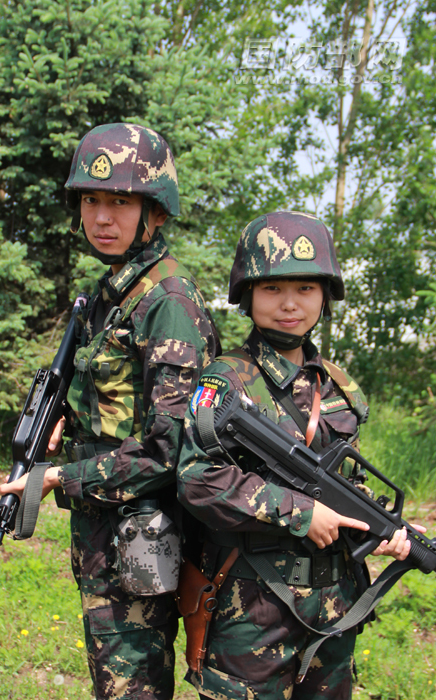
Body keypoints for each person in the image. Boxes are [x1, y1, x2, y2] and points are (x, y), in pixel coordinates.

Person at [0, 123, 220, 700]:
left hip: (143, 541)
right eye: (92, 200)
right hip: (108, 537)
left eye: (120, 201)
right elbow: (116, 407)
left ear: (156, 212)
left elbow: (170, 454)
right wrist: (63, 425)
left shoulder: (166, 304)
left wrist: (56, 480)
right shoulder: (113, 294)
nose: (101, 216)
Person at [176, 210, 423, 700]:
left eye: (306, 289)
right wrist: (299, 512)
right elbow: (196, 478)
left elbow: (347, 481)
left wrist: (376, 528)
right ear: (247, 295)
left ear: (325, 296)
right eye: (273, 289)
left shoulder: (340, 386)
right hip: (251, 610)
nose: (290, 304)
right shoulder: (225, 380)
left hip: (333, 606)